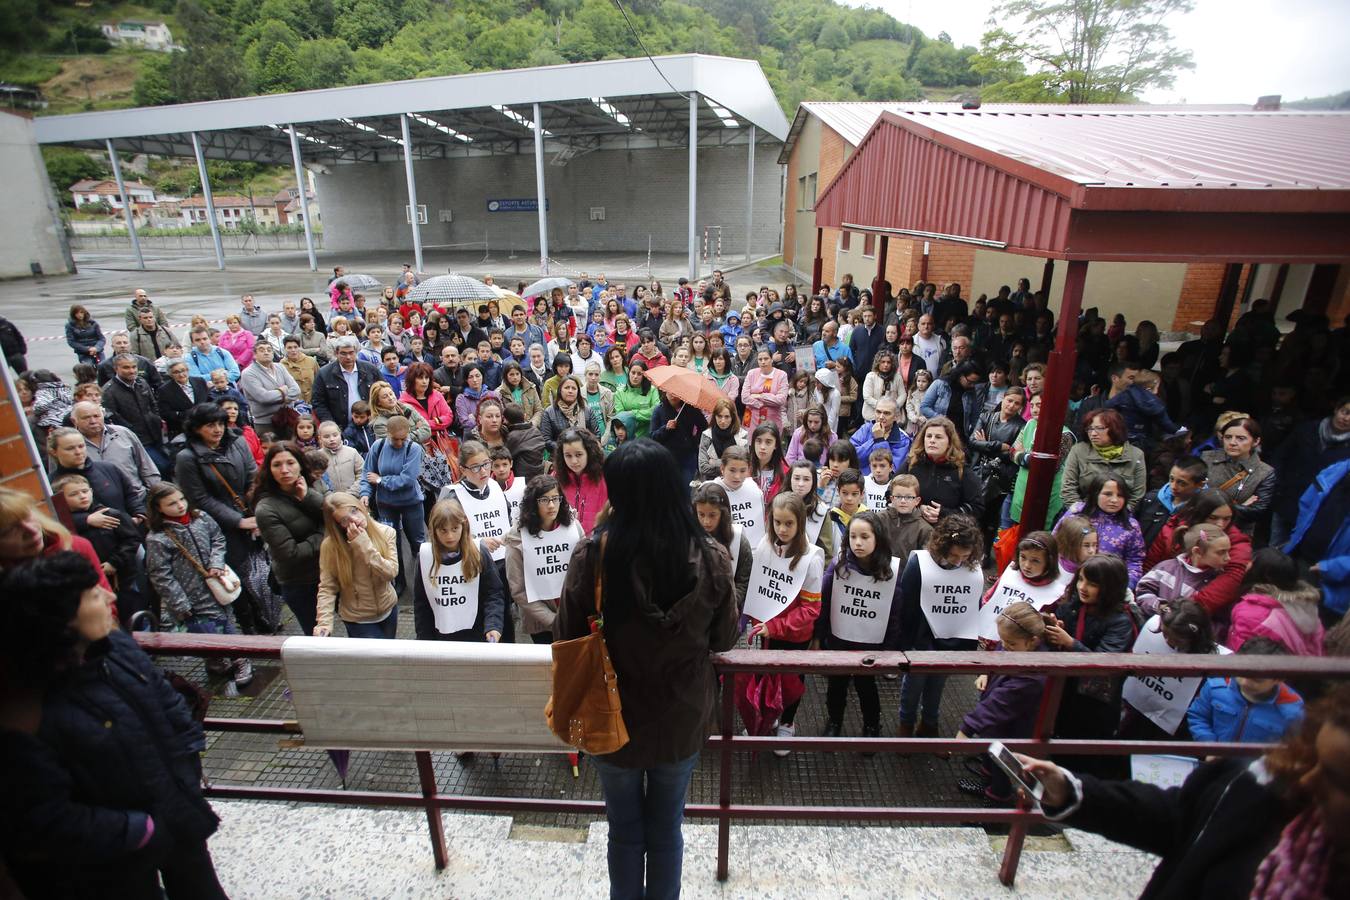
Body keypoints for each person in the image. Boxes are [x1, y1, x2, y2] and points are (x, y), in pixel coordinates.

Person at [555, 439, 737, 899]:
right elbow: (723, 639)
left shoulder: (592, 557)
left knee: (625, 829)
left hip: (610, 717)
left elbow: (566, 636)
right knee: (666, 828)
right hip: (680, 716)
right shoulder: (712, 557)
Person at [0, 552, 227, 899]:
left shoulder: (115, 644)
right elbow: (43, 816)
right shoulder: (28, 707)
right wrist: (139, 831)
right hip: (114, 859)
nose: (111, 596)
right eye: (93, 594)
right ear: (60, 619)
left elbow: (163, 696)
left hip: (174, 809)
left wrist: (188, 759)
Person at [1021, 685, 1350, 899]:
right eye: (1313, 758)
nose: (1307, 781)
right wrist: (1072, 791)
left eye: (1337, 780)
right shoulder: (1256, 783)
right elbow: (1181, 817)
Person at [144, 481, 254, 691]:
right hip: (190, 593)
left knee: (225, 621)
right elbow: (160, 575)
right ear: (158, 508)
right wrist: (179, 603)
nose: (180, 506)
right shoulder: (158, 538)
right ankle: (224, 659)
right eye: (172, 503)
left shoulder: (201, 518)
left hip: (217, 583)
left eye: (181, 499)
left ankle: (238, 659)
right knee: (209, 627)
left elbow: (218, 539)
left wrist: (216, 563)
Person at [743, 492, 825, 754]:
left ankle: (787, 722)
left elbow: (811, 609)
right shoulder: (766, 545)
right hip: (767, 631)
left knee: (791, 683)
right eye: (777, 522)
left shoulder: (811, 559)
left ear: (800, 523)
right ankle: (768, 715)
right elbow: (760, 588)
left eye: (789, 523)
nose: (782, 529)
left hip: (795, 636)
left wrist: (775, 626)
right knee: (765, 675)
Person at [174, 402, 265, 633]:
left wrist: (255, 514)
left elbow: (253, 478)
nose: (217, 429)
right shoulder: (188, 457)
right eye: (210, 425)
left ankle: (264, 615)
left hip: (248, 514)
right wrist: (238, 521)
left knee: (258, 570)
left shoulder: (237, 442)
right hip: (218, 526)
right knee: (234, 575)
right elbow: (199, 499)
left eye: (220, 424)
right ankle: (247, 624)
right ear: (196, 428)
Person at [1043, 554, 1135, 778]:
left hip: (1094, 706)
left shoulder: (1122, 621)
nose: (1083, 587)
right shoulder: (1073, 604)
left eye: (1092, 584)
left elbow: (1104, 664)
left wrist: (1069, 642)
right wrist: (1052, 626)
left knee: (1083, 760)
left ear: (1110, 587)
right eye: (1081, 580)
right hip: (1064, 695)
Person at [817, 510, 903, 742]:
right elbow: (824, 603)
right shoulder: (838, 565)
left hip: (871, 646)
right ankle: (834, 721)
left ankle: (872, 727)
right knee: (836, 686)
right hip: (839, 642)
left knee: (867, 688)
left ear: (878, 538)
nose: (858, 542)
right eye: (853, 536)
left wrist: (890, 649)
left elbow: (894, 615)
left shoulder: (890, 571)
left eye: (865, 537)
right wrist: (819, 638)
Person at [895, 514, 984, 737]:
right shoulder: (919, 563)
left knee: (937, 684)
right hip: (921, 639)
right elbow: (907, 604)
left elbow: (972, 605)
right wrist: (905, 644)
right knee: (914, 685)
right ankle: (906, 722)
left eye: (965, 556)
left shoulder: (972, 569)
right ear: (942, 545)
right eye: (954, 555)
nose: (958, 561)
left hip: (951, 641)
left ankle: (929, 723)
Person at [955, 601, 1050, 803]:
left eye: (1011, 644)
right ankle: (986, 780)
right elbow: (999, 654)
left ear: (1032, 641)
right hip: (997, 725)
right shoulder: (1015, 647)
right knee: (991, 757)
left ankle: (996, 799)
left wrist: (967, 728)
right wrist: (987, 673)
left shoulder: (1032, 676)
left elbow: (998, 704)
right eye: (1003, 640)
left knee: (1002, 765)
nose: (1005, 646)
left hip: (1011, 730)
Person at [253, 442, 327, 637]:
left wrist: (308, 496)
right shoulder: (266, 508)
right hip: (300, 581)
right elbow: (290, 553)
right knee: (316, 635)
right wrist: (326, 533)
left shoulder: (314, 484)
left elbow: (333, 512)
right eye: (277, 465)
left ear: (300, 464)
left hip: (329, 571)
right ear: (269, 469)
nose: (284, 470)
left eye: (290, 463)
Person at [1145, 489, 1253, 617]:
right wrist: (1153, 603)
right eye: (1213, 518)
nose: (1220, 524)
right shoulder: (1173, 529)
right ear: (1197, 514)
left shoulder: (1236, 541)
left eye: (1227, 519)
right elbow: (1150, 565)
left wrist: (1185, 612)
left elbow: (1233, 577)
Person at [503, 475, 583, 644]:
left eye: (555, 498)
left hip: (574, 615)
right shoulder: (517, 536)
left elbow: (585, 573)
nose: (551, 505)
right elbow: (518, 590)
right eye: (544, 500)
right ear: (533, 503)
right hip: (541, 622)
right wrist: (554, 621)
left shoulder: (574, 527)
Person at [413, 497, 505, 643]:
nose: (450, 536)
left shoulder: (479, 551)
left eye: (455, 529)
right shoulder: (425, 556)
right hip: (441, 637)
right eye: (443, 530)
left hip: (477, 634)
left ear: (464, 526)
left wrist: (493, 625)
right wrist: (424, 639)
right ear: (434, 530)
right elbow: (421, 604)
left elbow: (493, 593)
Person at [314, 491, 399, 638]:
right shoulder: (331, 547)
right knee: (375, 657)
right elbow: (327, 586)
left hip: (388, 609)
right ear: (338, 526)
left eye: (354, 511)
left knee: (388, 655)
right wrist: (324, 622)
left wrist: (364, 546)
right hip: (358, 619)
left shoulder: (386, 532)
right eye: (345, 520)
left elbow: (390, 572)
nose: (356, 520)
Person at [1187, 637, 1305, 743]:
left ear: (1278, 679)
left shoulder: (1292, 710)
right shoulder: (1217, 685)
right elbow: (1198, 716)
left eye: (1256, 680)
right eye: (1241, 674)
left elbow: (1294, 747)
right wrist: (1209, 744)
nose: (1245, 682)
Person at [358, 415, 424, 595]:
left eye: (404, 438)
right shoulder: (378, 447)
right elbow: (367, 473)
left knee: (418, 543)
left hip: (411, 503)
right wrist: (365, 493)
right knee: (391, 544)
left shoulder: (414, 448)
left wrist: (380, 480)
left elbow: (407, 479)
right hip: (386, 504)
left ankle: (422, 579)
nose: (400, 443)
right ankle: (399, 580)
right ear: (387, 434)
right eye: (396, 439)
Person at [1283, 455, 1350, 619]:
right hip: (1301, 560)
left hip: (1335, 586)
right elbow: (1307, 503)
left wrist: (1330, 568)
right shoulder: (1337, 470)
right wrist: (1296, 537)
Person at [1227, 548, 1326, 656]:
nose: (1247, 565)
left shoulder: (1249, 610)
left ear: (1261, 573)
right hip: (1306, 669)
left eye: (1252, 562)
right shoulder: (1308, 606)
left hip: (1263, 668)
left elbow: (1240, 650)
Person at [1061, 472, 1146, 588]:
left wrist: (1127, 586)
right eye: (1108, 494)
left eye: (1120, 495)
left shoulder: (1131, 526)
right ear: (1095, 494)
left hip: (1106, 586)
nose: (1114, 500)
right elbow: (1057, 544)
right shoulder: (1075, 514)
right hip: (1066, 580)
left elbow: (1135, 561)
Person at [1134, 523, 1231, 619]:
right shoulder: (1166, 568)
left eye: (1228, 551)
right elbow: (1143, 590)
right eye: (1221, 552)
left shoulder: (1220, 581)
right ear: (1197, 552)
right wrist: (1160, 607)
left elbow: (1221, 619)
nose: (1228, 558)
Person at [1062, 409, 1147, 510]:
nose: (1093, 433)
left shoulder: (1136, 455)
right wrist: (1082, 513)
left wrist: (1118, 515)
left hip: (1120, 515)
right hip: (1082, 513)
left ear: (1115, 429)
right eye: (1089, 429)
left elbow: (1137, 495)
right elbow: (1068, 488)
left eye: (1099, 428)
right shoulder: (1079, 451)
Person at [1203, 416, 1275, 534]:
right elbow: (1192, 495)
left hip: (1237, 533)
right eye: (1228, 437)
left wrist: (1208, 505)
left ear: (1256, 441)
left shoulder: (1265, 472)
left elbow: (1256, 511)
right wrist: (1238, 506)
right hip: (1201, 528)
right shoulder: (1206, 458)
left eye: (1241, 438)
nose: (1232, 443)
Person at [908, 416, 984, 527]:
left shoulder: (961, 470)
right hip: (914, 528)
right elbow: (891, 493)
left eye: (938, 437)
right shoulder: (912, 463)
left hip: (947, 532)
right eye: (929, 436)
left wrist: (945, 514)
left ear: (949, 442)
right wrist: (917, 508)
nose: (932, 440)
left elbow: (977, 508)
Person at [1135, 454, 1209, 551]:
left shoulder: (1203, 508)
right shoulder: (1151, 499)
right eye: (1171, 479)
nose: (1173, 486)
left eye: (1182, 483)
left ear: (1200, 484)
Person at [313, 337, 383, 430]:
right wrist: (330, 424)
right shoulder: (324, 374)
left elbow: (383, 392)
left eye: (351, 352)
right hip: (340, 427)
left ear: (356, 352)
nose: (348, 357)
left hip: (370, 424)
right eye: (343, 353)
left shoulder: (370, 369)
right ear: (336, 353)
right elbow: (318, 402)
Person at [238, 341, 301, 438]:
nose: (266, 352)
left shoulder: (280, 367)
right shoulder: (248, 373)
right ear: (255, 355)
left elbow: (296, 390)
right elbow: (263, 397)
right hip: (265, 422)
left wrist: (276, 396)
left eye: (269, 350)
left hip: (287, 419)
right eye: (262, 350)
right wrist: (283, 391)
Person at [849, 397, 912, 476]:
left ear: (896, 416)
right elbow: (851, 457)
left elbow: (893, 470)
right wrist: (874, 440)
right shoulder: (865, 429)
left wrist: (880, 440)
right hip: (859, 479)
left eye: (886, 413)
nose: (881, 417)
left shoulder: (902, 439)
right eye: (878, 412)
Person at [741, 348, 789, 431]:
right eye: (760, 359)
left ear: (771, 359)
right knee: (749, 442)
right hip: (750, 419)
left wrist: (759, 395)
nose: (763, 362)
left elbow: (781, 400)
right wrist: (762, 403)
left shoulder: (781, 375)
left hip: (771, 421)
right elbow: (744, 398)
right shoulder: (751, 373)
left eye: (766, 359)